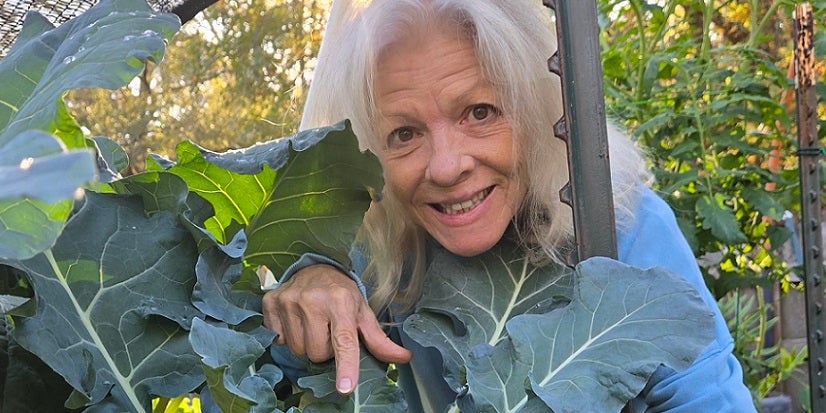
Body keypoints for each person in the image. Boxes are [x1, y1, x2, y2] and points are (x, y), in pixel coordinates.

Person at [262, 0, 756, 411]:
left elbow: (705, 399)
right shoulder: (382, 242)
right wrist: (311, 282)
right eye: (404, 133)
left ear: (536, 110)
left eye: (479, 112)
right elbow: (259, 381)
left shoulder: (624, 224)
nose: (447, 166)